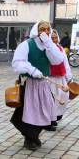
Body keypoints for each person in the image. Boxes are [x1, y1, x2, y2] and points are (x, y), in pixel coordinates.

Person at [11, 21, 64, 150]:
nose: (45, 31)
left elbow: (57, 60)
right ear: (37, 30)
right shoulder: (27, 45)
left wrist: (49, 44)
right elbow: (17, 63)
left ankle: (34, 136)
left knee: (45, 111)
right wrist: (32, 70)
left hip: (43, 84)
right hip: (29, 84)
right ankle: (29, 139)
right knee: (30, 111)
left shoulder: (49, 46)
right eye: (42, 29)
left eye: (47, 29)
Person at [48, 29, 72, 128]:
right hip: (51, 78)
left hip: (61, 78)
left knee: (64, 97)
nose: (54, 39)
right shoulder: (47, 49)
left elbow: (66, 63)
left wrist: (69, 76)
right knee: (52, 99)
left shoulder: (60, 48)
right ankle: (50, 120)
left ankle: (57, 116)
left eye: (55, 37)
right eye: (52, 38)